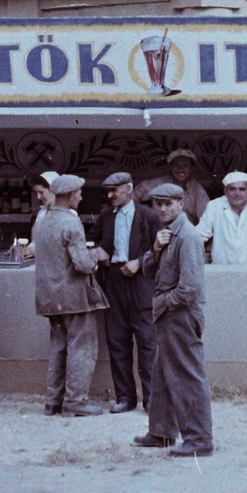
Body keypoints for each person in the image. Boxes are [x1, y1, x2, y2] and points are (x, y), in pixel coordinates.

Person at [137, 183, 214, 457]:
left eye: (169, 203)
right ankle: (161, 433)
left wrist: (162, 304)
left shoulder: (188, 237)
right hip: (170, 314)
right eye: (158, 204)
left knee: (186, 377)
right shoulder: (166, 234)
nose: (162, 209)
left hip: (180, 314)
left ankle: (200, 440)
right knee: (162, 374)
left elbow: (189, 289)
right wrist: (156, 249)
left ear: (181, 204)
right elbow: (148, 270)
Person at [33, 174, 110, 416]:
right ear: (68, 195)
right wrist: (96, 256)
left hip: (49, 297)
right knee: (81, 348)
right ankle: (75, 401)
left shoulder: (44, 221)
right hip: (74, 297)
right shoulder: (71, 223)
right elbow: (82, 264)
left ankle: (53, 401)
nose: (80, 196)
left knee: (58, 348)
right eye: (78, 192)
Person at [96, 171, 159, 413]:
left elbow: (159, 250)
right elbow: (91, 241)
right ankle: (125, 398)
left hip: (141, 283)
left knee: (146, 341)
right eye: (108, 191)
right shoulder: (105, 216)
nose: (110, 195)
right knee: (117, 341)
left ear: (129, 188)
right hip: (113, 281)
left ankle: (152, 398)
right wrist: (97, 251)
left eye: (115, 190)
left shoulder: (148, 216)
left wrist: (140, 263)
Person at [194, 172, 247, 266]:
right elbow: (199, 235)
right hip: (221, 269)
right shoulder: (215, 205)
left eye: (242, 189)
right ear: (225, 191)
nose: (237, 193)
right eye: (232, 189)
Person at [136, 149, 209, 223]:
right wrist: (142, 218)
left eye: (185, 166)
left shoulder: (197, 189)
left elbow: (206, 217)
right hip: (158, 231)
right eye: (177, 165)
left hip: (185, 231)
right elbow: (133, 196)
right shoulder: (159, 183)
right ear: (171, 167)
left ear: (191, 169)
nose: (181, 169)